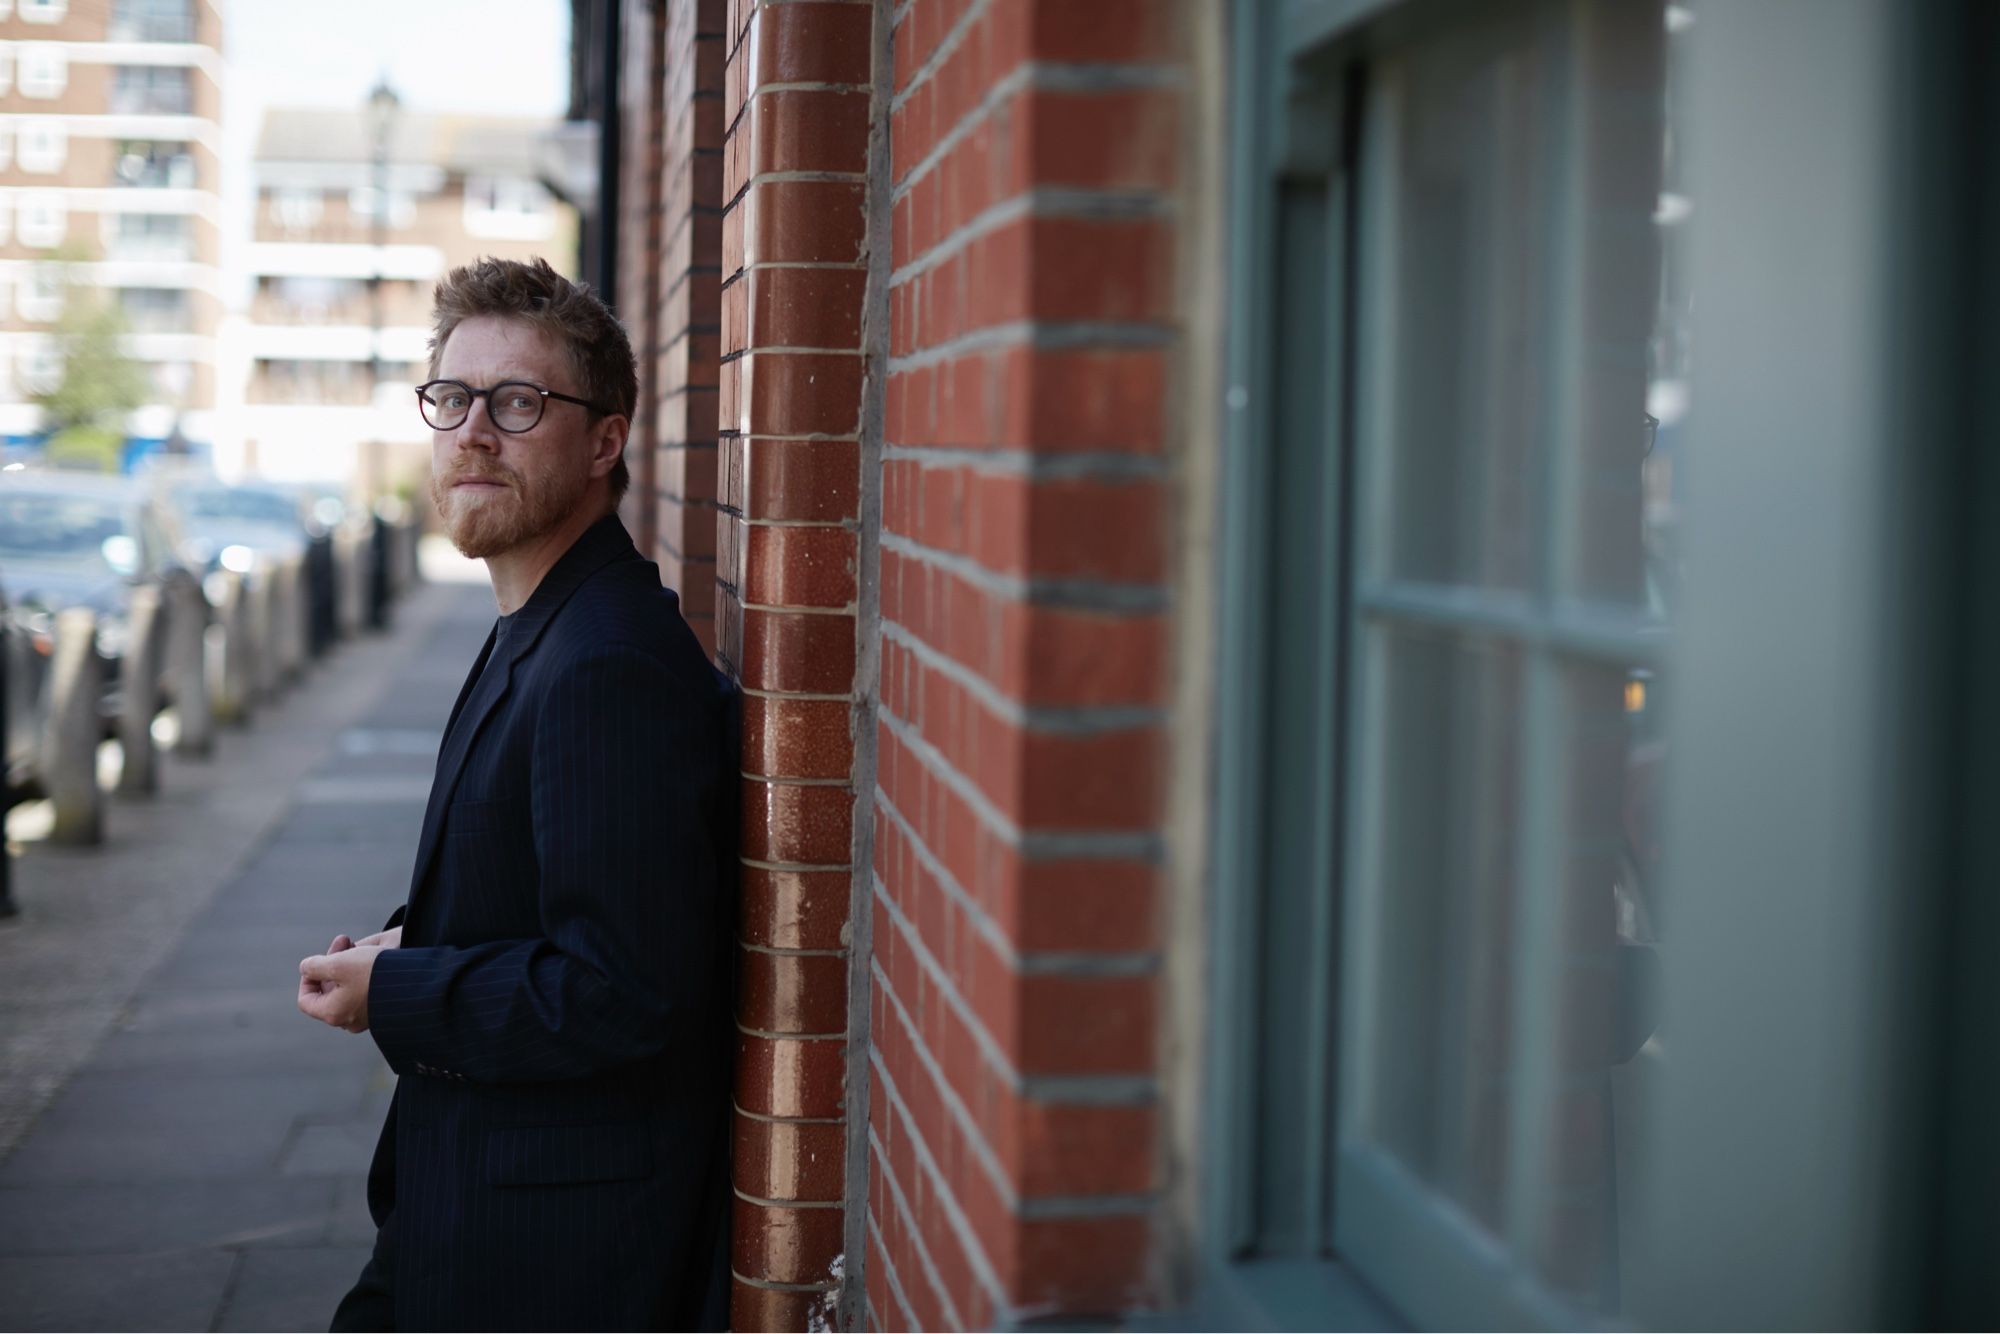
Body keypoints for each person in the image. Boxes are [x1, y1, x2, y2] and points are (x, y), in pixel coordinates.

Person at [296, 256, 735, 1332]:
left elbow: (625, 990)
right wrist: (408, 949)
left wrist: (394, 994)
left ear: (604, 440)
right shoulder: (534, 628)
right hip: (476, 1209)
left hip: (549, 1257)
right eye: (451, 398)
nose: (473, 432)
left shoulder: (603, 665)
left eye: (519, 401)